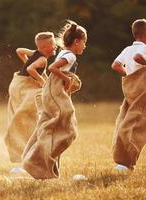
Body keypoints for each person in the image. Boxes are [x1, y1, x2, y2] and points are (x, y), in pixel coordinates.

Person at [22, 20, 87, 179]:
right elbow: (52, 68)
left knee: (51, 127)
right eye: (84, 43)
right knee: (68, 129)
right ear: (77, 41)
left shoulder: (65, 53)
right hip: (55, 93)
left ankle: (44, 168)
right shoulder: (70, 55)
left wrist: (68, 80)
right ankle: (37, 161)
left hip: (52, 92)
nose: (85, 46)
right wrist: (66, 79)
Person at [111, 18, 146, 171]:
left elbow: (115, 65)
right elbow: (137, 58)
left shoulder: (127, 49)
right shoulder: (144, 48)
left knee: (127, 120)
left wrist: (128, 73)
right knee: (143, 123)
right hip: (142, 90)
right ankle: (127, 162)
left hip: (130, 90)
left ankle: (123, 160)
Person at [4, 32, 57, 163]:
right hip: (23, 86)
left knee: (20, 115)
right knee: (26, 117)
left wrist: (26, 61)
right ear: (45, 48)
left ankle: (22, 148)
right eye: (53, 44)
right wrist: (41, 81)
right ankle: (26, 148)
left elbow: (19, 50)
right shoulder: (43, 59)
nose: (55, 46)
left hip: (15, 86)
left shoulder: (35, 53)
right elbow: (31, 70)